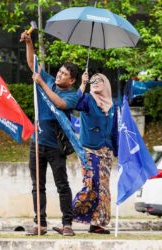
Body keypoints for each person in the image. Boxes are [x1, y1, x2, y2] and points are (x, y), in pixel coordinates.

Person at [20, 32, 79, 236]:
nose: (60, 75)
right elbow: (31, 64)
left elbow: (59, 103)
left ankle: (67, 224)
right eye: (60, 72)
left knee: (62, 185)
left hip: (56, 145)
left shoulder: (71, 95)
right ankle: (40, 223)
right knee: (38, 186)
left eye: (65, 75)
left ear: (71, 81)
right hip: (37, 141)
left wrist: (42, 83)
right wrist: (29, 43)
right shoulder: (49, 80)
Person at [72, 72, 118, 234]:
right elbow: (74, 104)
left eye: (100, 80)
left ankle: (98, 223)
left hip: (107, 152)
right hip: (90, 149)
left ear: (106, 83)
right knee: (91, 183)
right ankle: (69, 214)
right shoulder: (87, 100)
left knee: (104, 188)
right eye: (93, 81)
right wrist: (82, 84)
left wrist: (118, 151)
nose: (96, 83)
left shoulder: (113, 105)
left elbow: (114, 130)